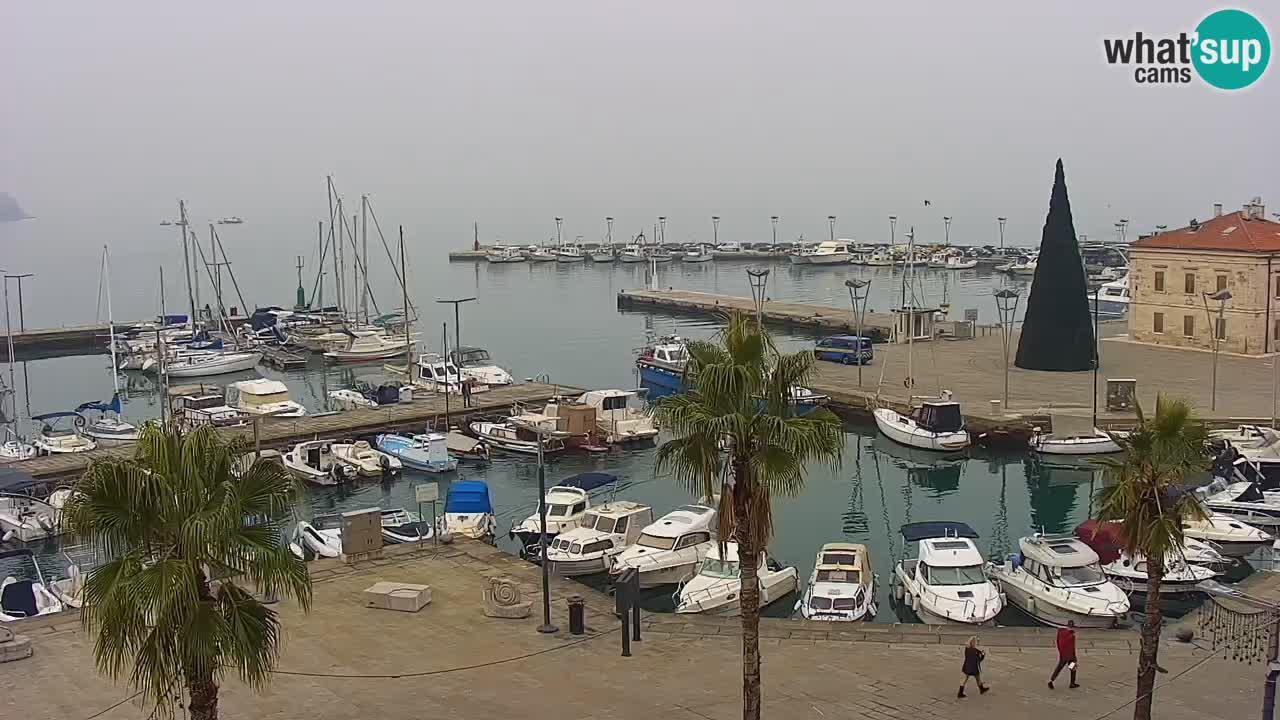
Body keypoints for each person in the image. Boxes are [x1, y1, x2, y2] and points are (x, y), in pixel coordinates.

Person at [1049, 620, 1079, 689]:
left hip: (1063, 655)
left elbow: (1059, 643)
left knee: (1059, 668)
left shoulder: (1061, 633)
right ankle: (1072, 683)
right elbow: (1072, 647)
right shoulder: (1072, 635)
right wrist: (1074, 657)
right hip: (1071, 656)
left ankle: (1051, 680)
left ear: (1067, 625)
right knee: (1073, 669)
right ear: (1073, 626)